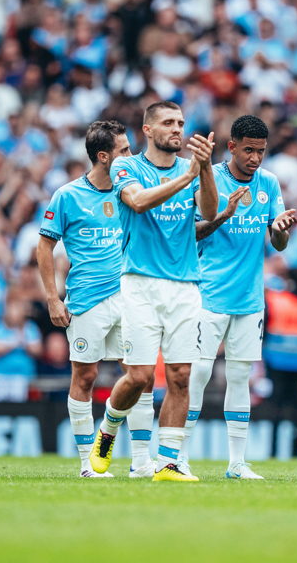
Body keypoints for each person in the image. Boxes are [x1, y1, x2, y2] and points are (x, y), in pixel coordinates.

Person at [89, 102, 218, 482]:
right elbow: (139, 202)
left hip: (185, 285)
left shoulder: (192, 168)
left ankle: (168, 462)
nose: (177, 129)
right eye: (168, 123)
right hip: (139, 284)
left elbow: (208, 212)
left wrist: (205, 170)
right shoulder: (126, 166)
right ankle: (109, 427)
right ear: (147, 129)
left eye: (180, 122)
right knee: (141, 376)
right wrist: (188, 176)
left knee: (180, 375)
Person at [37, 120, 160, 478]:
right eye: (124, 150)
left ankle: (140, 461)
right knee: (86, 376)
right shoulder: (68, 196)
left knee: (142, 377)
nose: (131, 155)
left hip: (131, 295)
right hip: (87, 299)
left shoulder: (133, 190)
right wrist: (51, 297)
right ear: (103, 156)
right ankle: (86, 465)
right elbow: (45, 245)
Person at [181, 115, 297, 479]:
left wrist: (278, 231)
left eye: (261, 151)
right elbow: (193, 234)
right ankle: (178, 457)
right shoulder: (209, 176)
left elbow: (279, 242)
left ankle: (237, 463)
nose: (255, 158)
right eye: (248, 150)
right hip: (209, 295)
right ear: (231, 147)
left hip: (250, 301)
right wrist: (225, 214)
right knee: (197, 374)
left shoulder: (269, 184)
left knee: (240, 377)